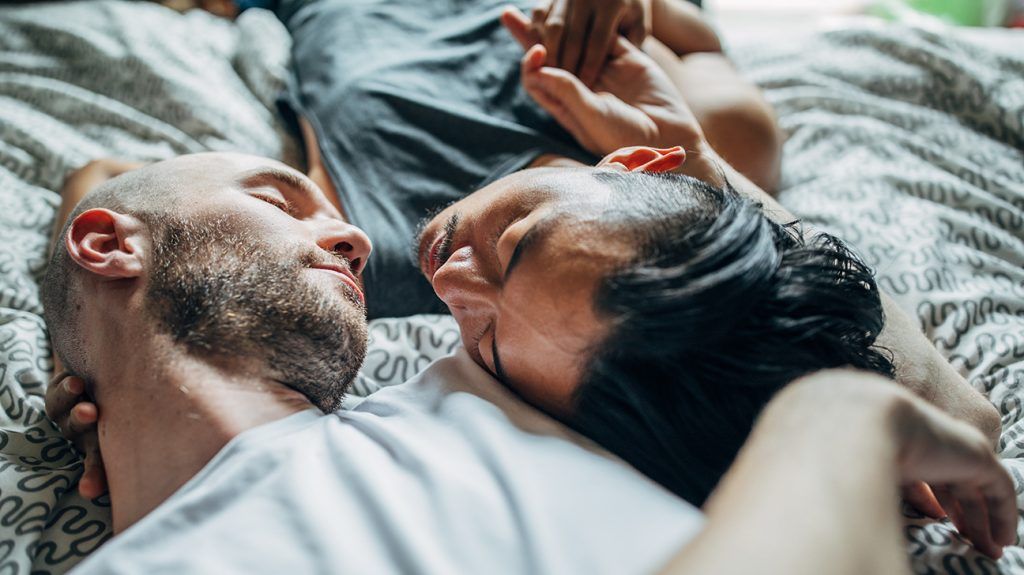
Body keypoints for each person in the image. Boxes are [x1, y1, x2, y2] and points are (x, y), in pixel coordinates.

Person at [52, 0, 998, 538]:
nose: (450, 285)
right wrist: (695, 159)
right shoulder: (689, 149)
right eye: (515, 242)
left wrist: (108, 349)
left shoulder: (351, 260)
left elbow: (958, 419)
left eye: (487, 339)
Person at [42, 152, 1016, 573]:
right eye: (281, 197)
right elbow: (107, 195)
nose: (348, 235)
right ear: (106, 245)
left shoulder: (498, 384)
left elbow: (952, 413)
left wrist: (857, 406)